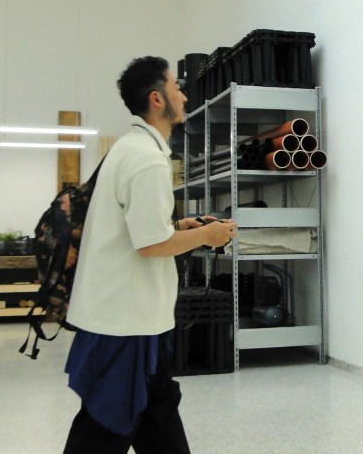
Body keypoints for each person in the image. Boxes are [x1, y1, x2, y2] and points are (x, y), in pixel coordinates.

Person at [62, 56, 236, 454]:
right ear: (157, 99)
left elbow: (137, 231)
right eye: (176, 88)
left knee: (157, 411)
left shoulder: (129, 149)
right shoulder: (147, 160)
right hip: (127, 323)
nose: (184, 96)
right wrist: (207, 235)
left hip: (130, 316)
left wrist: (181, 227)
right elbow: (150, 245)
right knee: (107, 422)